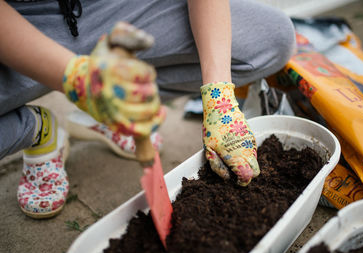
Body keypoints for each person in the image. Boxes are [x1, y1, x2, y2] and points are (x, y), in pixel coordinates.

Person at [0, 0, 296, 219]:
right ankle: (36, 130)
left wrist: (219, 94)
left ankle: (111, 110)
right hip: (18, 25)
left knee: (271, 38)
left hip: (112, 7)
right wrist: (78, 80)